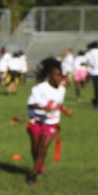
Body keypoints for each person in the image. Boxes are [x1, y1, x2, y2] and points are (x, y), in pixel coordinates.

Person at [24, 56, 73, 185]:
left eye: (61, 76)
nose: (60, 78)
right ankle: (39, 164)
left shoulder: (62, 90)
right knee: (34, 149)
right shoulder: (39, 89)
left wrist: (64, 110)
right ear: (49, 75)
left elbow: (58, 104)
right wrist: (42, 107)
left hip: (51, 122)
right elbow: (30, 105)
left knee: (43, 149)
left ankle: (33, 174)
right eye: (57, 76)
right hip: (36, 121)